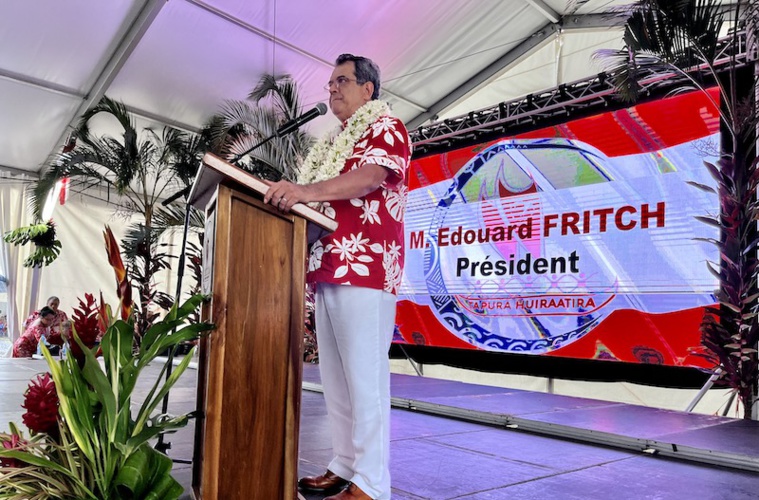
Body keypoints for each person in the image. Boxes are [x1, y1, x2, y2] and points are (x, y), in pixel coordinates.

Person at [264, 54, 411, 500]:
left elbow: (370, 177)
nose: (331, 89)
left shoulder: (386, 126)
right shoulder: (335, 140)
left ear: (368, 89)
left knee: (364, 377)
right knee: (337, 378)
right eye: (328, 83)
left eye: (341, 81)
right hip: (328, 267)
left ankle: (371, 483)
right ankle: (346, 464)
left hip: (365, 266)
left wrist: (304, 191)